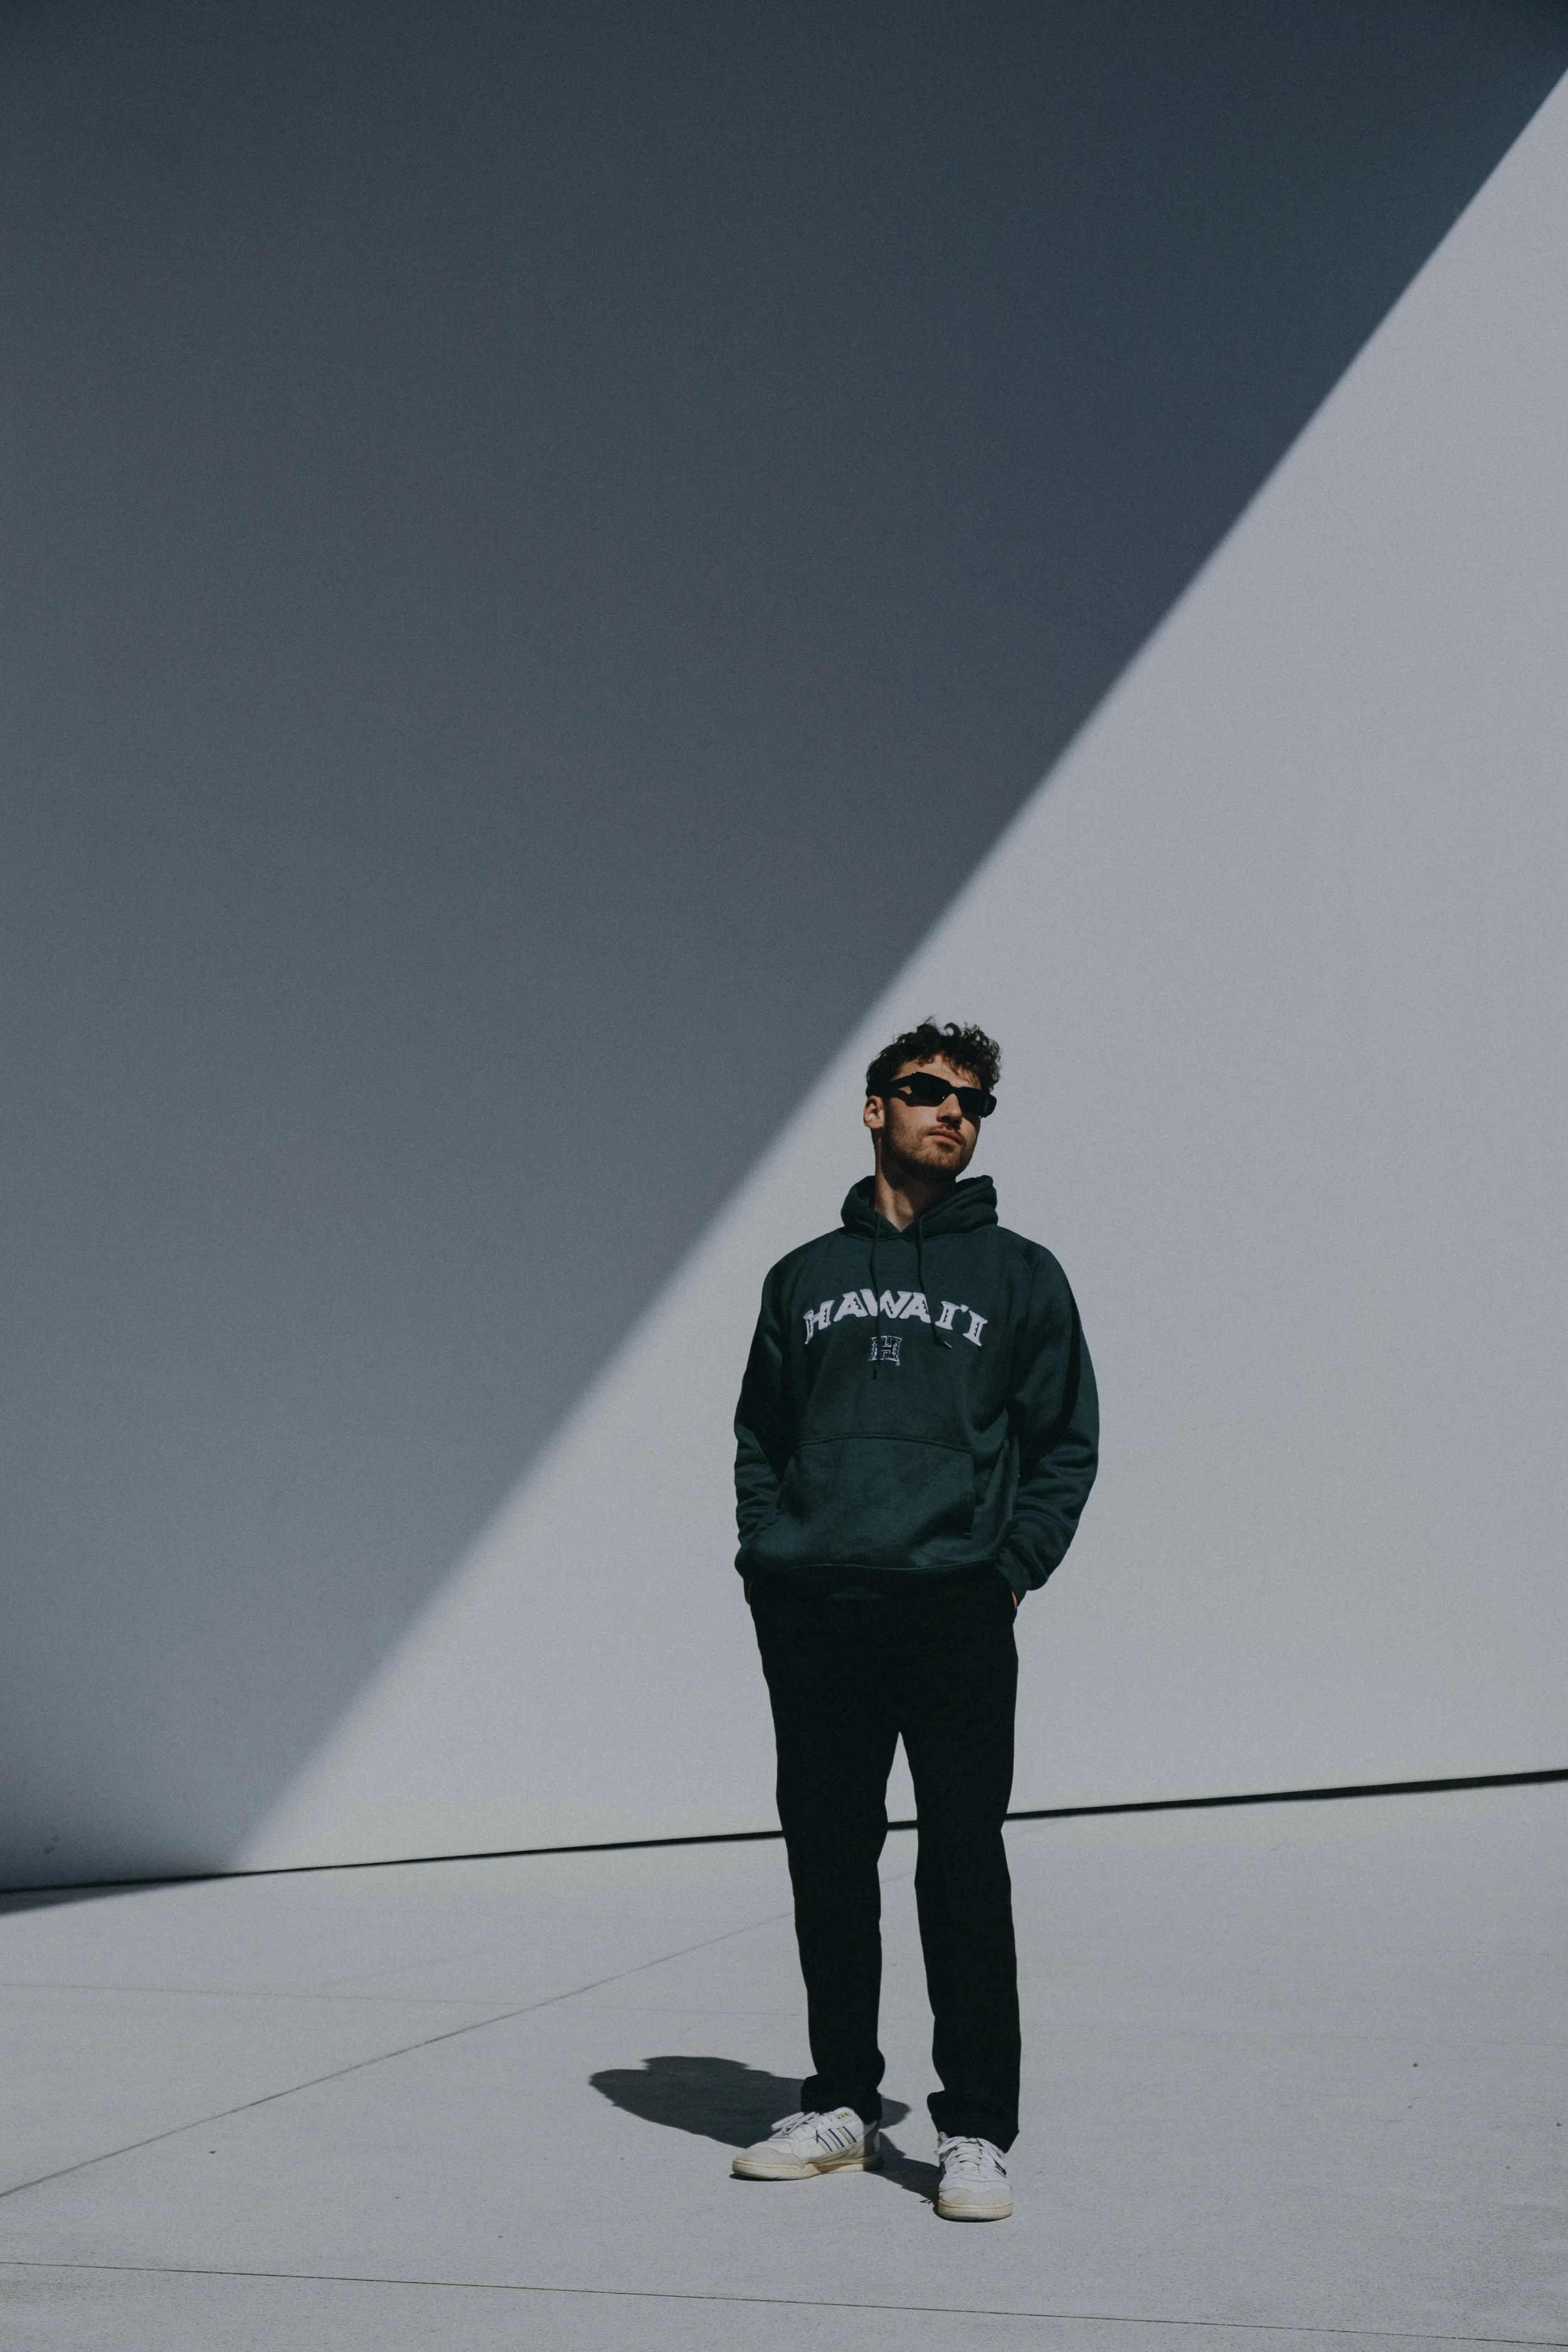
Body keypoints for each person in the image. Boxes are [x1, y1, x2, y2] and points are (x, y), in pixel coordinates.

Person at [729, 1019, 1098, 2221]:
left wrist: (1009, 1570)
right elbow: (760, 1437)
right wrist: (770, 1562)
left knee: (962, 1864)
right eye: (931, 1091)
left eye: (975, 1100)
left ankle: (976, 2128)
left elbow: (1065, 1445)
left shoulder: (1022, 1275)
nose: (956, 1112)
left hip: (952, 1609)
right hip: (818, 1610)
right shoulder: (802, 1277)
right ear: (875, 1105)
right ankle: (840, 2099)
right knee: (830, 1859)